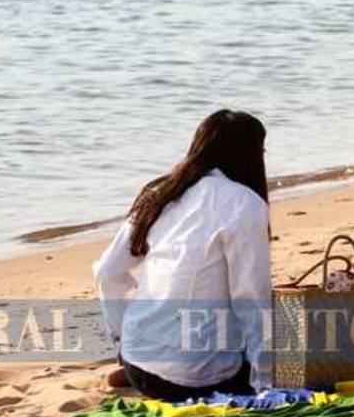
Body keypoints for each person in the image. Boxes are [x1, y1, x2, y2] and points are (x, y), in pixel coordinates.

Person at [94, 109, 274, 401]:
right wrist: (266, 381)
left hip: (136, 360)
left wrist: (122, 339)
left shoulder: (161, 192)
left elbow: (107, 271)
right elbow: (251, 299)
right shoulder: (244, 203)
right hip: (192, 378)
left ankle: (137, 370)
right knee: (282, 345)